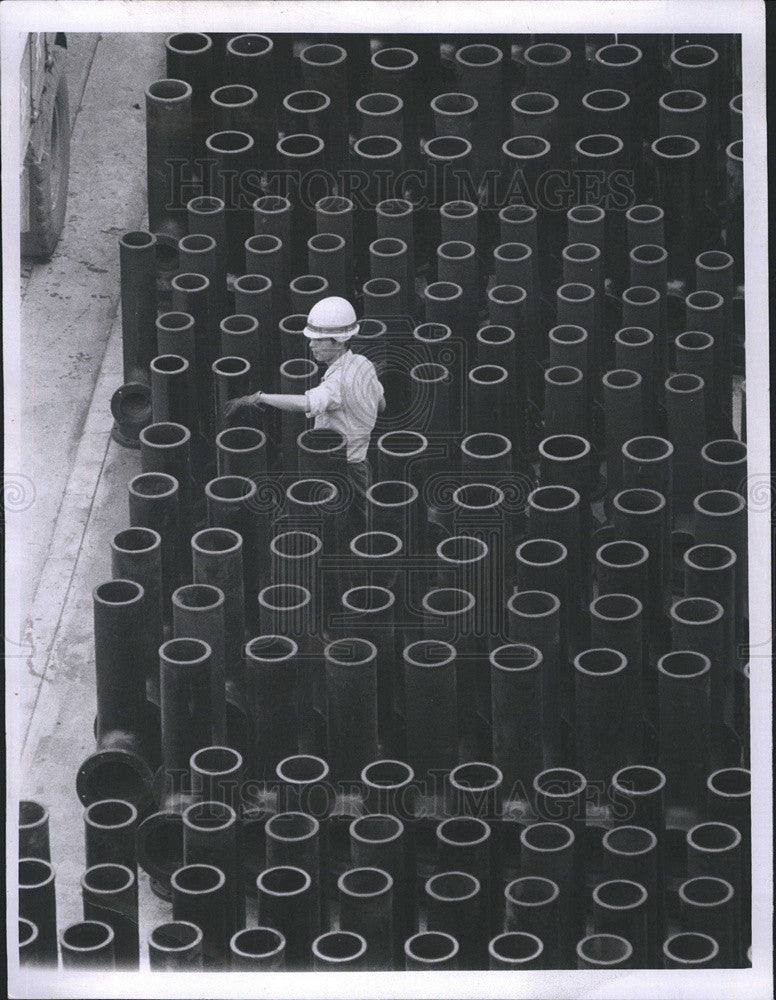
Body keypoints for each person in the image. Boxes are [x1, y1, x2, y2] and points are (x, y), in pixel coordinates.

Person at [223, 295, 385, 522]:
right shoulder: (363, 363)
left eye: (319, 340)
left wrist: (259, 398)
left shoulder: (336, 383)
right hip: (358, 460)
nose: (311, 344)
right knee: (355, 517)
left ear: (338, 341)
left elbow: (306, 403)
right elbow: (381, 403)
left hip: (342, 467)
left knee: (345, 521)